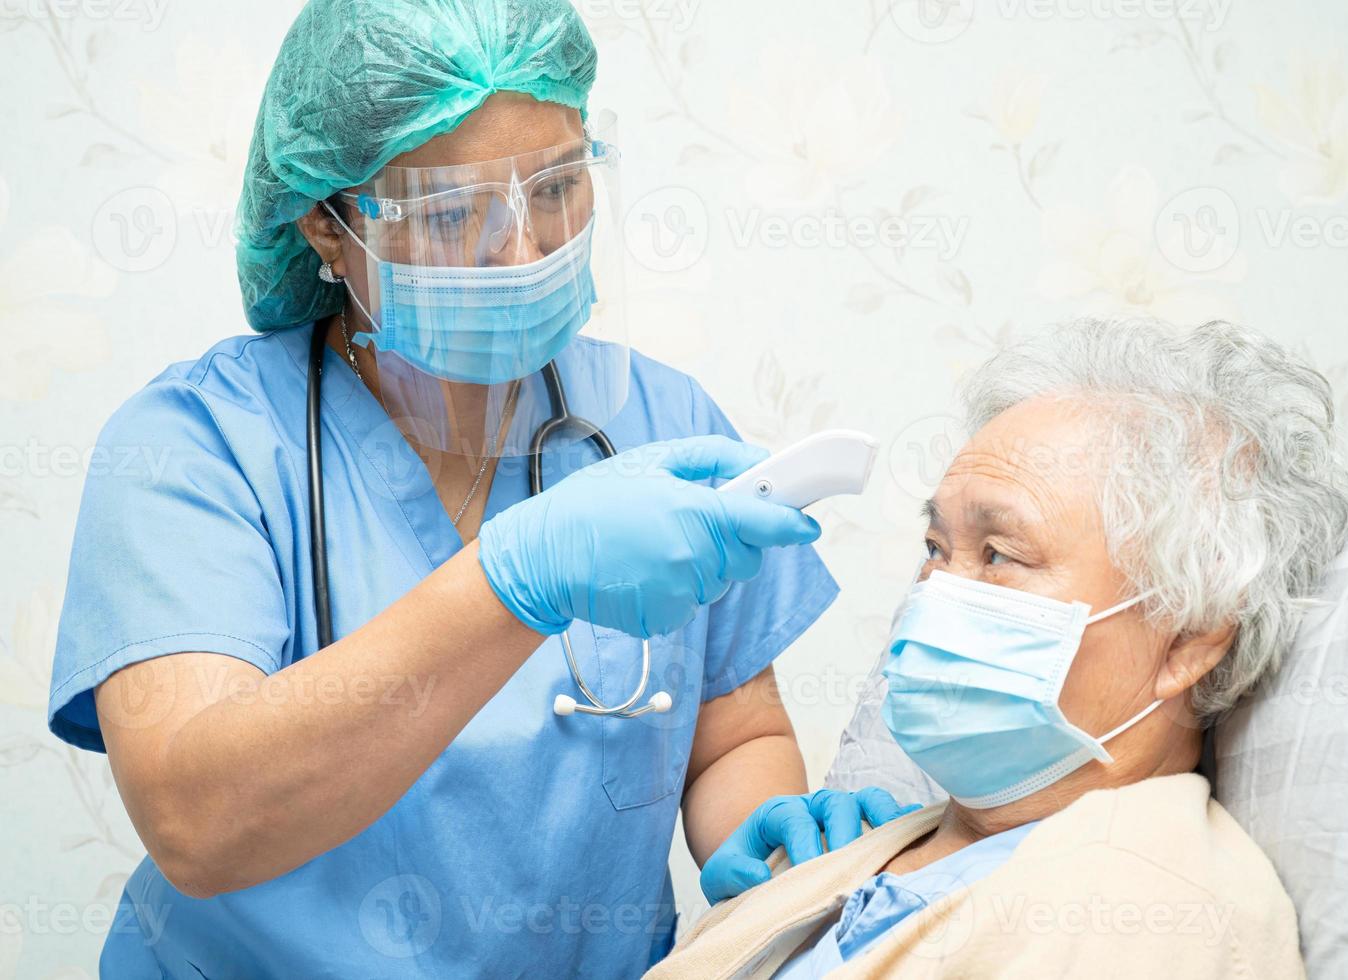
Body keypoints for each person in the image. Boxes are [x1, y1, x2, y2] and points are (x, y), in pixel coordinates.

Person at [45, 1, 904, 975]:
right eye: (453, 212)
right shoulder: (197, 447)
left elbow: (730, 729)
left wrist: (771, 840)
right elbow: (196, 818)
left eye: (557, 187)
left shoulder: (662, 421)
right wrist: (514, 579)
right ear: (329, 229)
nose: (523, 249)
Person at [647, 316, 1348, 978]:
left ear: (1188, 636)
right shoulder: (878, 847)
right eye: (936, 548)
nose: (932, 594)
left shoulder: (1149, 917)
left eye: (999, 554)